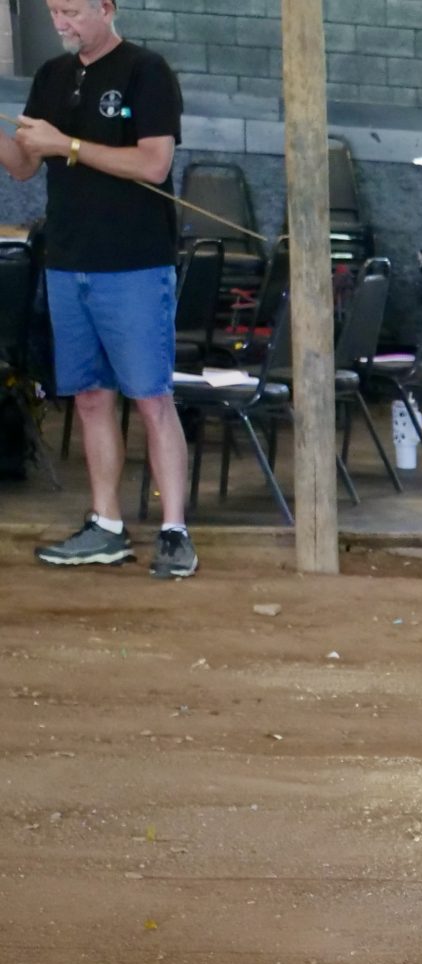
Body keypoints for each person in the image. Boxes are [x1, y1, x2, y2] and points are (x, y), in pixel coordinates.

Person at [0, 0, 195, 578]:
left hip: (134, 262)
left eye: (73, 11)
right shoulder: (51, 76)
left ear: (106, 8)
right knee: (89, 397)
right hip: (68, 259)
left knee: (152, 397)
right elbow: (23, 165)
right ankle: (106, 524)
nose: (61, 23)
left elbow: (154, 164)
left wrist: (68, 145)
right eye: (54, 12)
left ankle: (174, 530)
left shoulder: (145, 69)